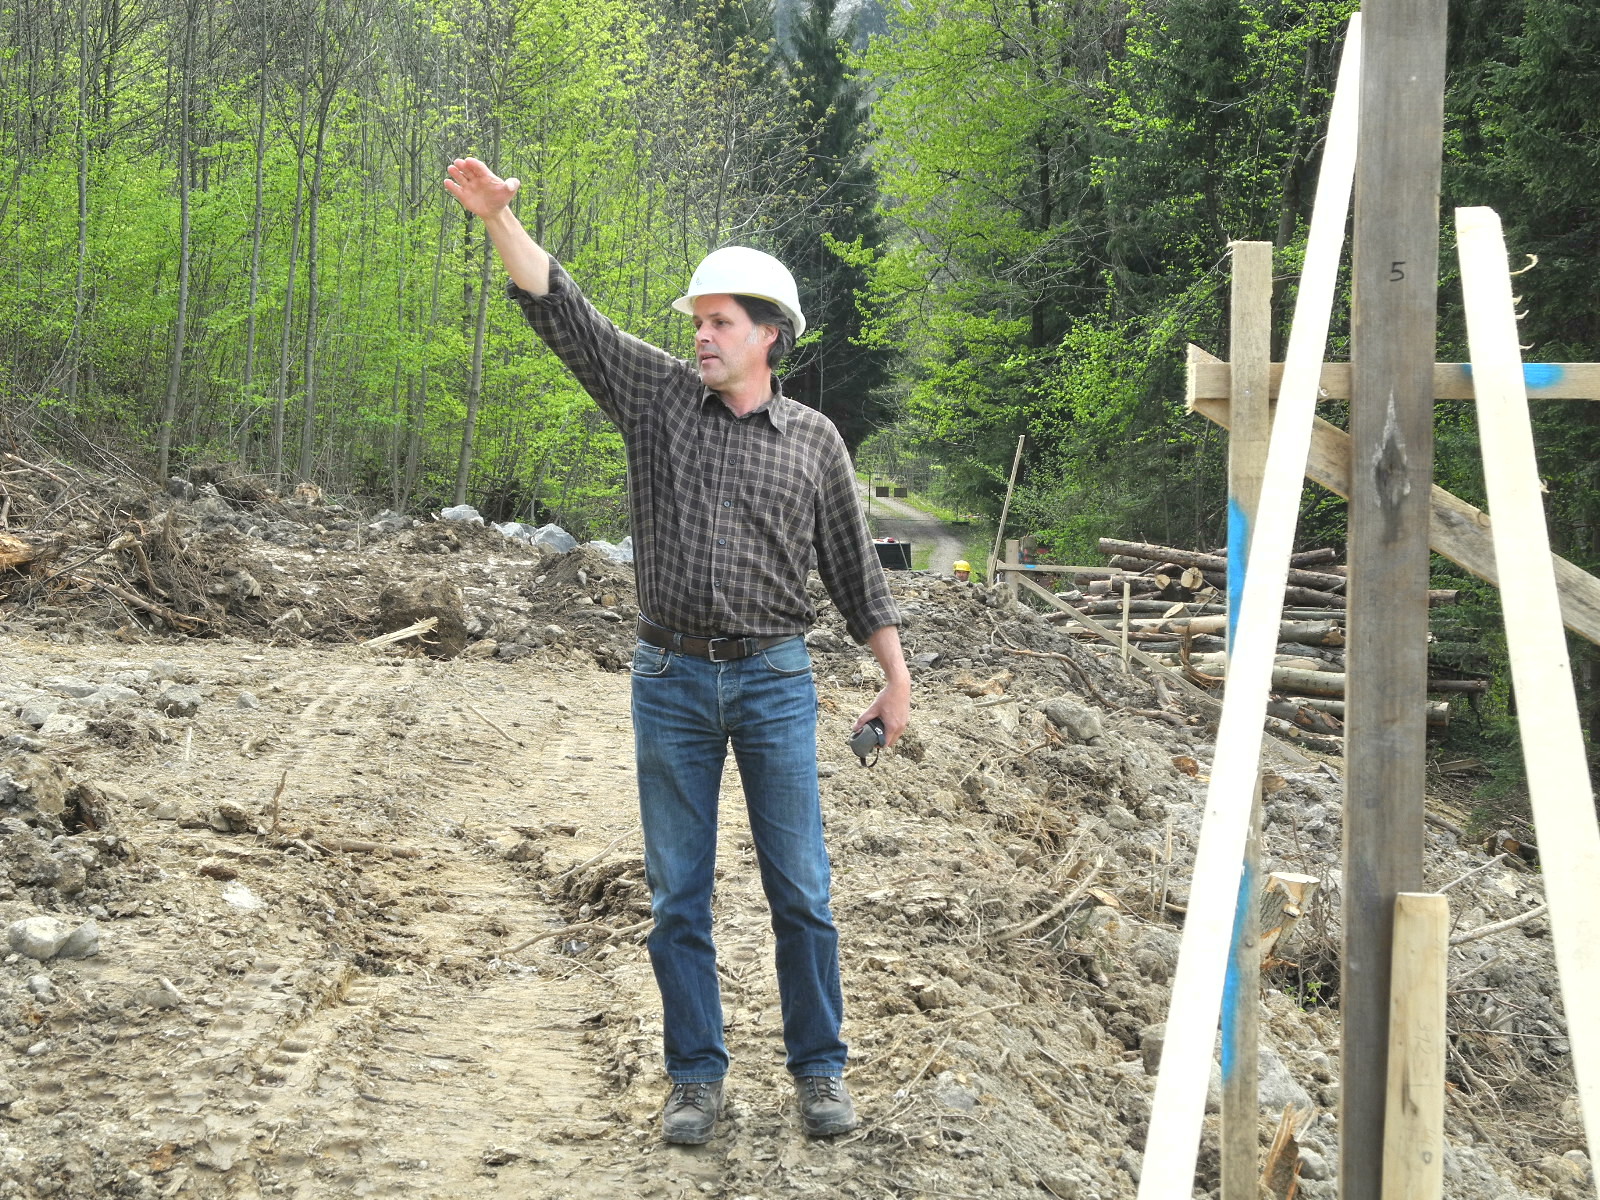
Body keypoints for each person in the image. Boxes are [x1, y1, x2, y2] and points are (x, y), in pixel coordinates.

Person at [443, 157, 910, 1145]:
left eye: (720, 322)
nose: (700, 335)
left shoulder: (815, 442)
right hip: (669, 679)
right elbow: (566, 314)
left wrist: (895, 678)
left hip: (776, 679)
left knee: (802, 892)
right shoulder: (656, 399)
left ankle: (819, 1071)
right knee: (677, 898)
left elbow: (852, 570)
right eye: (696, 321)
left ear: (769, 335)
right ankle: (695, 1078)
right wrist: (496, 221)